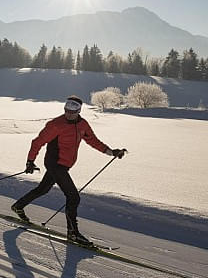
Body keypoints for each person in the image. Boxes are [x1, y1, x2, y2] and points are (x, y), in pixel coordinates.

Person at [11, 95, 126, 245]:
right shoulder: (55, 125)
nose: (68, 114)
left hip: (65, 165)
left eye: (72, 112)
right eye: (66, 110)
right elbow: (37, 142)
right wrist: (30, 161)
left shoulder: (83, 124)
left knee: (43, 189)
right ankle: (73, 233)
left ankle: (18, 206)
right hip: (55, 164)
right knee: (73, 197)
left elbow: (93, 140)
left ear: (79, 110)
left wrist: (111, 152)